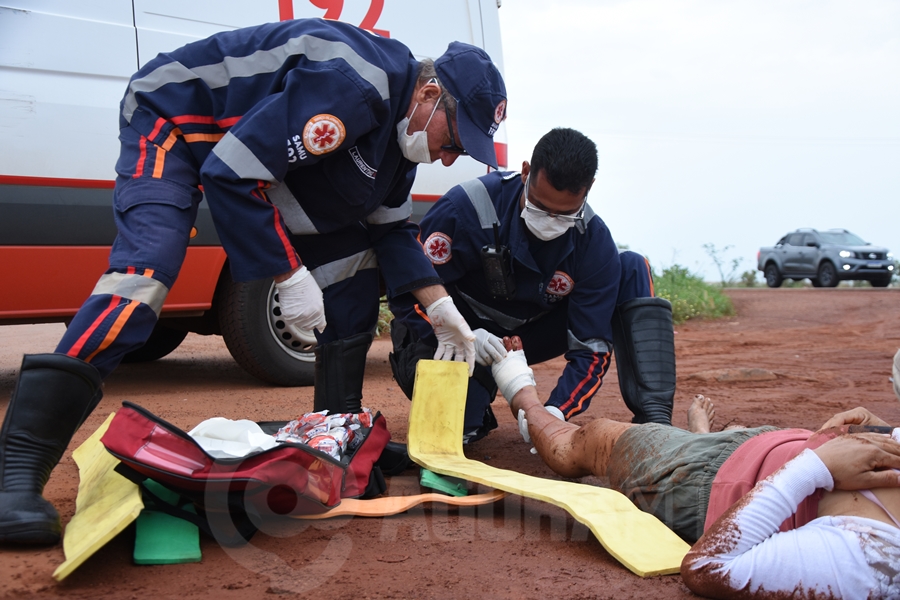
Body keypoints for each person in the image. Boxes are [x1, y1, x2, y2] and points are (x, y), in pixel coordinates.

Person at [0, 18, 508, 545]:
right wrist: (287, 275)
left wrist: (442, 308)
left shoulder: (398, 143)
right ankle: (17, 471)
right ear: (428, 94)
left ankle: (333, 439)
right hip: (174, 121)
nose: (450, 157)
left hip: (243, 155)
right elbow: (230, 171)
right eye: (455, 138)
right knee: (144, 277)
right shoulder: (354, 86)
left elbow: (391, 231)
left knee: (354, 270)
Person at [491, 336, 900, 598]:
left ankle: (519, 389)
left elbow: (709, 566)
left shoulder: (873, 558)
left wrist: (817, 464)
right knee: (735, 431)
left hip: (706, 478)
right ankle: (700, 434)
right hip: (768, 445)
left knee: (586, 441)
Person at [389, 128, 675, 443]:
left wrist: (556, 412)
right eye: (539, 206)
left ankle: (655, 417)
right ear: (525, 172)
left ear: (588, 189)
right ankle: (472, 393)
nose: (549, 220)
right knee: (458, 426)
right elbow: (408, 289)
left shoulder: (593, 243)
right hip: (449, 330)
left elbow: (590, 349)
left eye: (564, 214)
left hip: (531, 332)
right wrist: (465, 334)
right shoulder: (467, 207)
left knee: (632, 266)